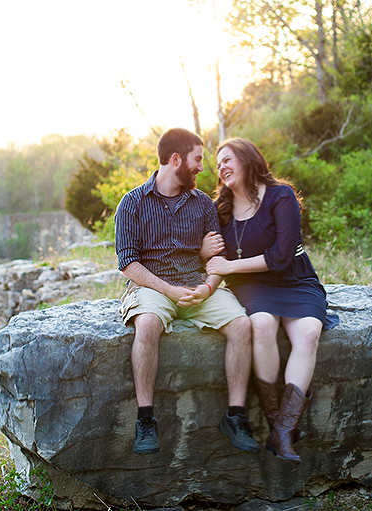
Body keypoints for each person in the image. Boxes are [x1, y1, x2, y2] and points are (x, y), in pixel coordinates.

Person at [114, 127, 257, 456]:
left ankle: (235, 416)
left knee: (242, 324)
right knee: (147, 325)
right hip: (153, 285)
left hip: (197, 285)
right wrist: (170, 291)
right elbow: (128, 263)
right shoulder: (132, 203)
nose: (202, 168)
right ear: (176, 159)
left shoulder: (203, 203)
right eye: (197, 160)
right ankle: (145, 420)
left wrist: (208, 287)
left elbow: (218, 258)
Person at [204, 137, 338, 463]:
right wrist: (204, 253)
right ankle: (280, 426)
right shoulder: (219, 209)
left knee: (309, 333)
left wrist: (229, 266)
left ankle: (281, 432)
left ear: (247, 158)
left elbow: (280, 256)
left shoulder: (281, 196)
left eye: (227, 159)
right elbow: (209, 257)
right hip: (251, 285)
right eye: (218, 164)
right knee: (262, 325)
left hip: (295, 280)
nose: (221, 167)